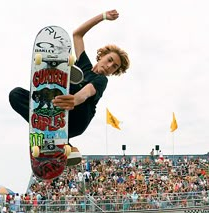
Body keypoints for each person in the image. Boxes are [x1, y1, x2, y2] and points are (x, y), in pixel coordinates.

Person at [9, 9, 130, 166]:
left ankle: (57, 135)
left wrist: (75, 99)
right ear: (101, 56)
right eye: (109, 60)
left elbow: (87, 92)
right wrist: (103, 16)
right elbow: (77, 35)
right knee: (16, 94)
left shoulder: (101, 80)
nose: (109, 66)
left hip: (78, 118)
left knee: (78, 88)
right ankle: (53, 136)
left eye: (114, 67)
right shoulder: (84, 64)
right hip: (59, 110)